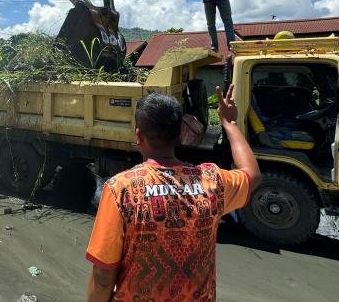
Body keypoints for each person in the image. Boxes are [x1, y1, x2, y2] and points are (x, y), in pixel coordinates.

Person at [85, 86, 261, 302]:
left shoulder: (121, 189)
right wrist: (230, 124)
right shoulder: (212, 181)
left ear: (138, 135)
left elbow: (103, 278)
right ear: (180, 135)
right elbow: (252, 175)